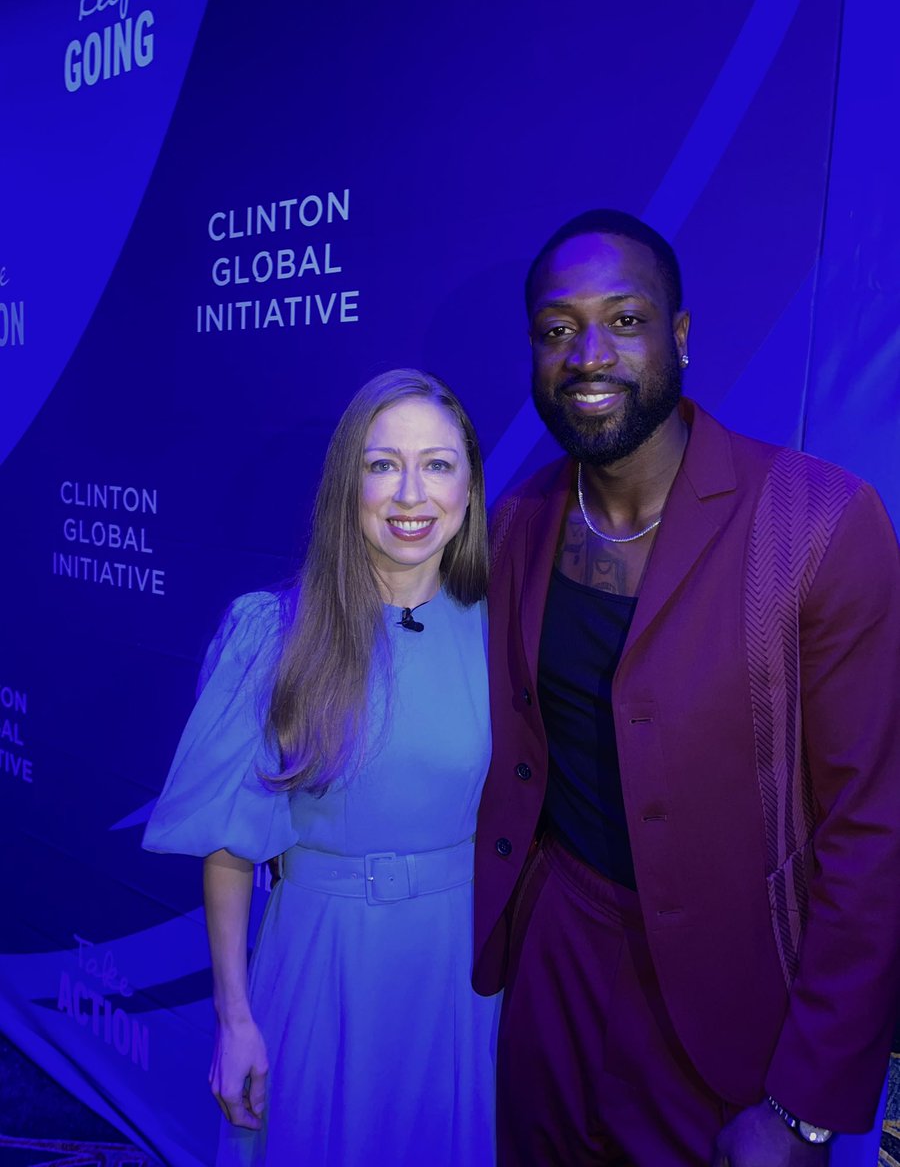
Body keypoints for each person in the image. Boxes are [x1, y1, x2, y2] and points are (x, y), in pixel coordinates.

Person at [473, 210, 900, 1166]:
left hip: (736, 1018)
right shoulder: (521, 523)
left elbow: (875, 834)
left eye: (624, 320)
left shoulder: (821, 523)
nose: (588, 354)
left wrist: (805, 1108)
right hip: (556, 976)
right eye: (556, 329)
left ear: (680, 336)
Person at [144, 369, 500, 1166]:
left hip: (461, 973)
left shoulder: (507, 631)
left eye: (439, 464)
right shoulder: (271, 632)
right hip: (321, 963)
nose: (412, 493)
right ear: (349, 483)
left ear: (470, 487)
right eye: (383, 464)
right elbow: (232, 849)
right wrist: (234, 1019)